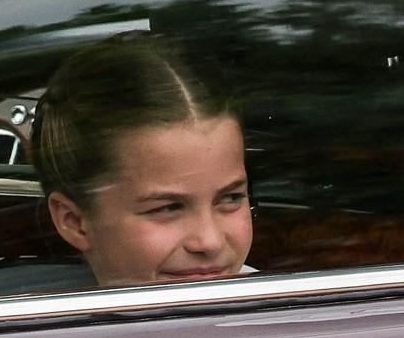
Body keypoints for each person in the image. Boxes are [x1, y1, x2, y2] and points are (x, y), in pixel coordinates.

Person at [31, 31, 254, 287]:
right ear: (75, 222)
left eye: (230, 198)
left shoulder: (297, 310)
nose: (210, 241)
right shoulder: (18, 324)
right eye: (167, 208)